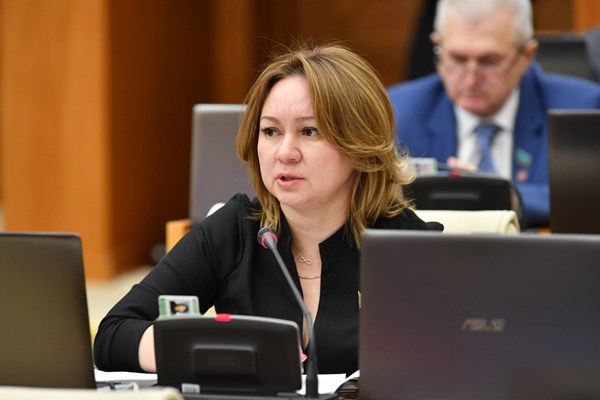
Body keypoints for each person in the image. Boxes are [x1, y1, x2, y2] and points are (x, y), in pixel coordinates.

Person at [93, 43, 443, 375]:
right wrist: (224, 350)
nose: (284, 152)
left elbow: (455, 361)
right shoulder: (237, 229)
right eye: (271, 131)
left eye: (309, 131)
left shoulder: (411, 246)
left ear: (359, 144)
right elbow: (114, 334)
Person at [388, 0, 600, 228]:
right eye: (457, 59)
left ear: (526, 56)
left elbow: (589, 198)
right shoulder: (398, 111)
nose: (470, 80)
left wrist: (505, 196)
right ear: (437, 46)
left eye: (489, 62)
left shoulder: (582, 108)